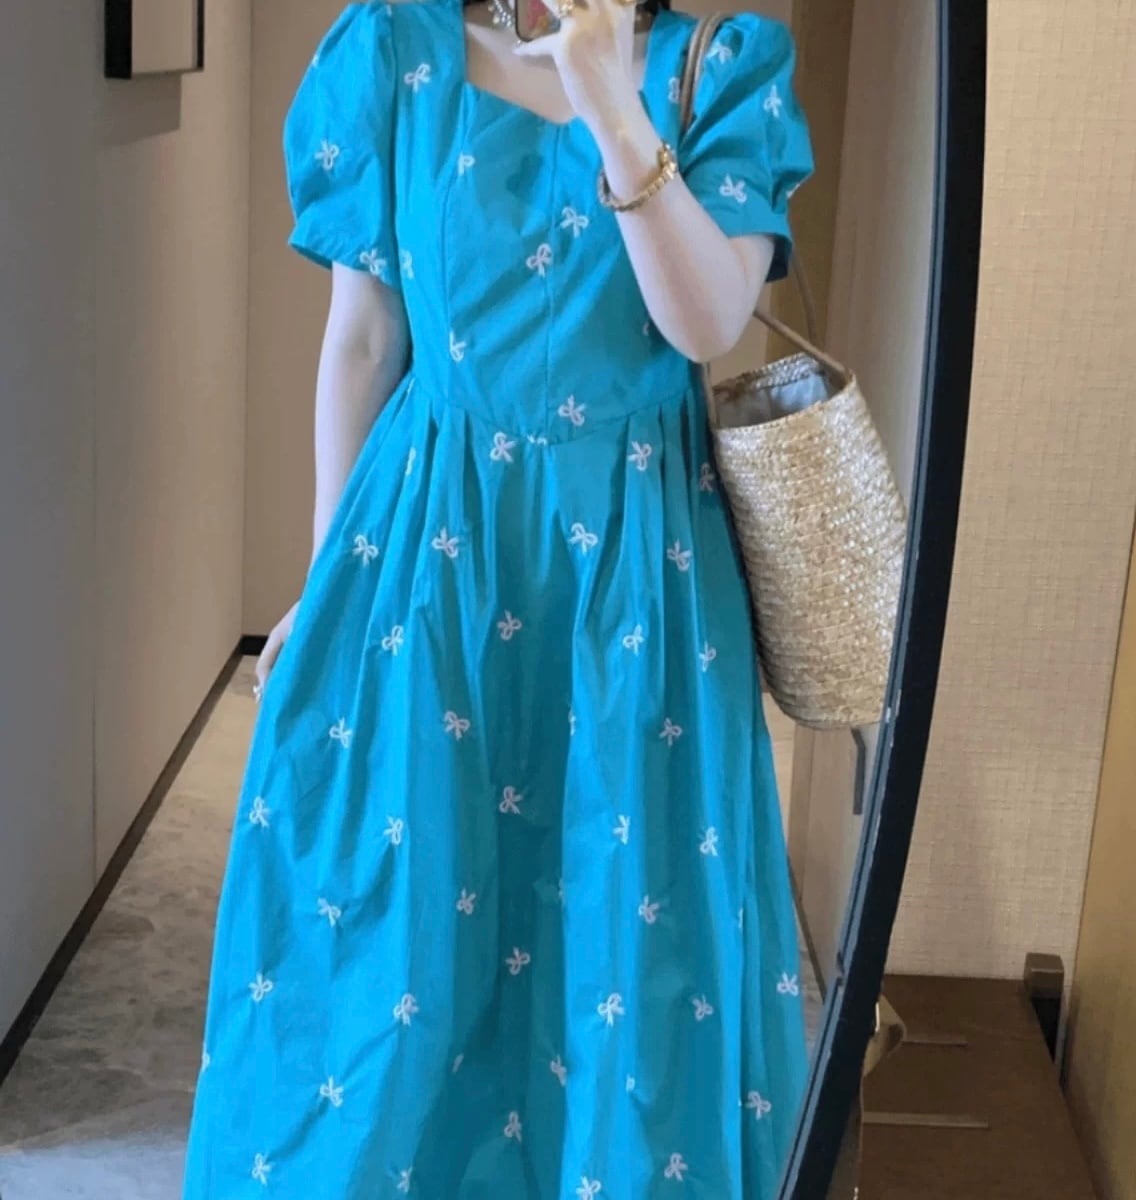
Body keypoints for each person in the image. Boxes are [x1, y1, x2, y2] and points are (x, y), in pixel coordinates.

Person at [181, 0, 814, 1195]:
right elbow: (363, 340)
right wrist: (327, 584)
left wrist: (612, 103)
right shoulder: (393, 49)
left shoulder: (722, 64)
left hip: (636, 582)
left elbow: (705, 323)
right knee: (401, 942)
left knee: (622, 935)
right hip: (429, 556)